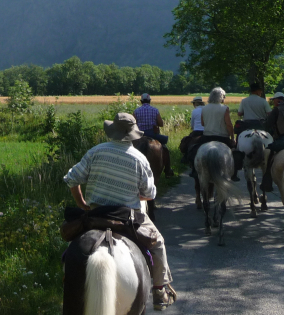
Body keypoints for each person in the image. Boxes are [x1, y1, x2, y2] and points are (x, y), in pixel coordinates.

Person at [64, 112, 178, 310]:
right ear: (133, 134)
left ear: (113, 131)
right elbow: (149, 194)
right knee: (158, 243)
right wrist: (134, 195)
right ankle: (160, 291)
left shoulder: (95, 152)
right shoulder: (139, 159)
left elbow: (72, 179)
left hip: (95, 214)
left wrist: (82, 202)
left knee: (71, 250)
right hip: (128, 216)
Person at [185, 87, 238, 180]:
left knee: (194, 150)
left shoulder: (204, 108)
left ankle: (194, 170)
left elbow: (202, 123)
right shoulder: (224, 108)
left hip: (207, 137)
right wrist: (232, 138)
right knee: (235, 154)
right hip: (222, 138)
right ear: (220, 97)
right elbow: (229, 125)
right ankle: (234, 173)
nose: (224, 99)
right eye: (224, 97)